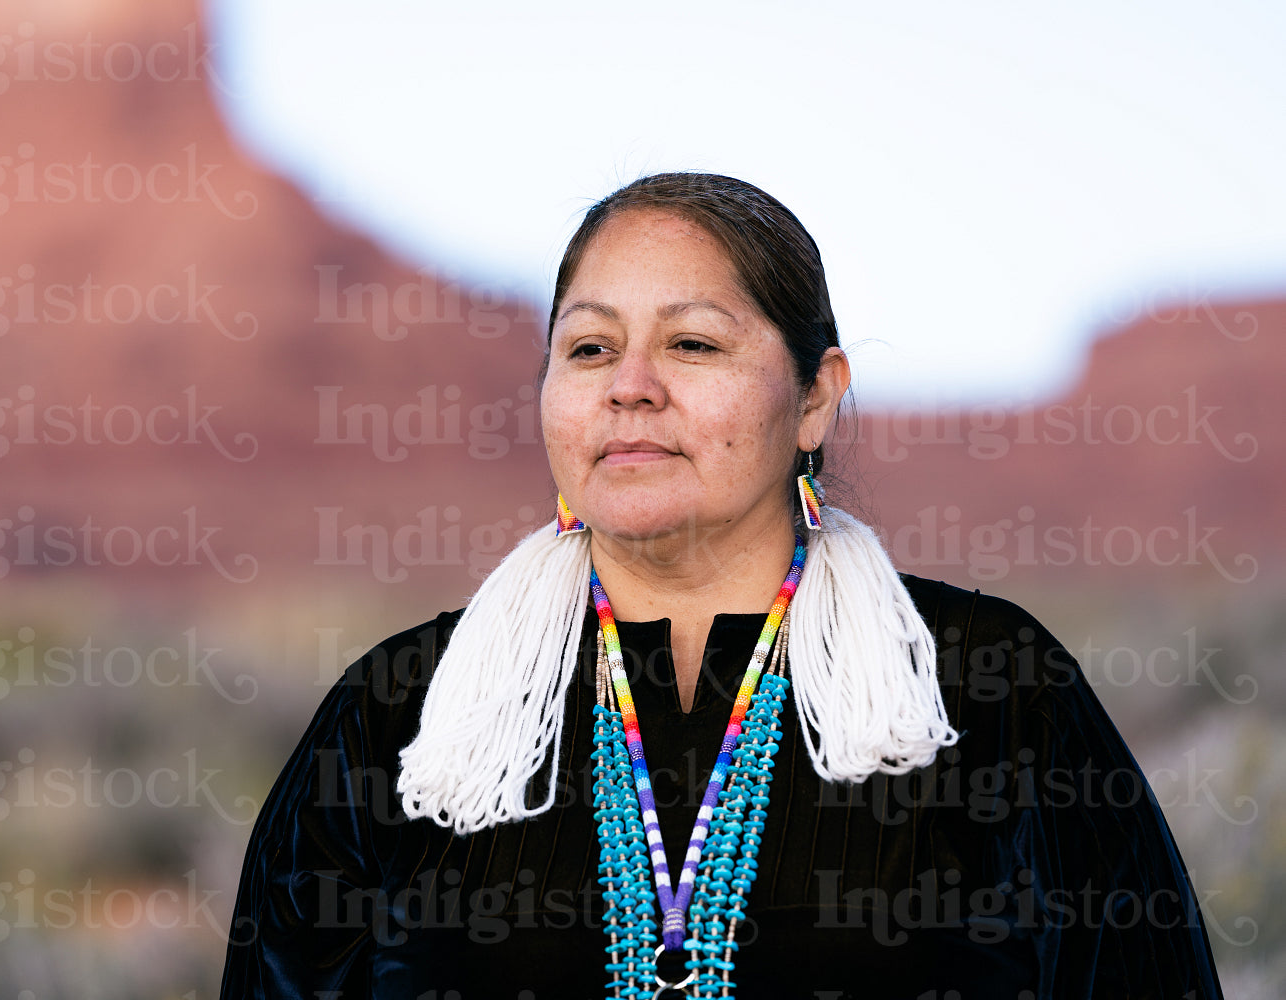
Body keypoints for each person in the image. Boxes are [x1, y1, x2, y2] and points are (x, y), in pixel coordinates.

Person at [220, 173, 1224, 998]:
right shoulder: (400, 711)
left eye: (693, 343)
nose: (631, 384)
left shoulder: (993, 688)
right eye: (589, 348)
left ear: (815, 399)